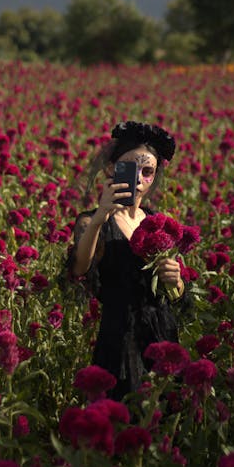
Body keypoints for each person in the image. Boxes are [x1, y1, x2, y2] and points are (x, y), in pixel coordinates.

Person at [67, 120, 186, 401]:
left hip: (161, 334)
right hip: (119, 339)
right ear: (113, 169)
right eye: (131, 169)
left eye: (148, 172)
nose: (139, 179)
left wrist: (176, 280)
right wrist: (100, 217)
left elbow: (175, 294)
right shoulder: (90, 221)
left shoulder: (157, 222)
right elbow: (80, 268)